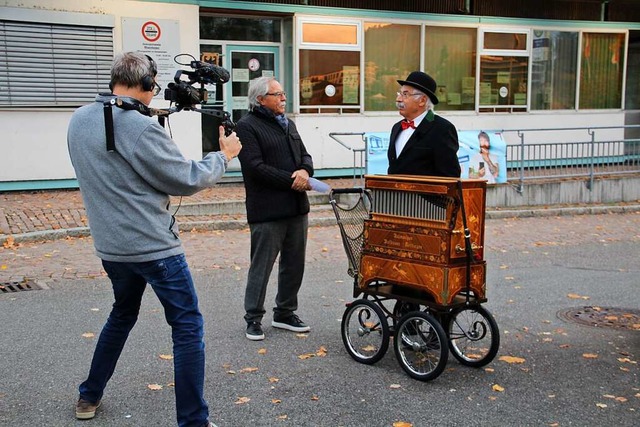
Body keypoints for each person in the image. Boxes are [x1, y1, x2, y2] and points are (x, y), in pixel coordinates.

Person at [67, 51, 241, 427]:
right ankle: (194, 421)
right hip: (153, 247)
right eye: (154, 85)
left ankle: (89, 395)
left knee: (122, 314)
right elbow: (186, 179)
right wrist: (223, 156)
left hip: (111, 247)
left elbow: (117, 165)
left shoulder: (80, 119)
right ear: (147, 84)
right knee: (187, 325)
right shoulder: (139, 128)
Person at [235, 76, 314, 341]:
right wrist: (294, 180)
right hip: (267, 210)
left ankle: (285, 313)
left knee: (294, 264)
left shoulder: (288, 124)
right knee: (262, 266)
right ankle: (253, 318)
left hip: (296, 208)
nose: (283, 98)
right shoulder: (246, 127)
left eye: (283, 93)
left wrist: (305, 170)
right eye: (277, 94)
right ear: (260, 99)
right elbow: (255, 168)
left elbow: (305, 155)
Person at [387, 71, 461, 177]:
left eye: (405, 94)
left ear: (422, 100)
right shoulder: (397, 127)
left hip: (425, 193)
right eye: (399, 93)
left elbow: (450, 176)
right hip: (396, 193)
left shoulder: (442, 129)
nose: (398, 99)